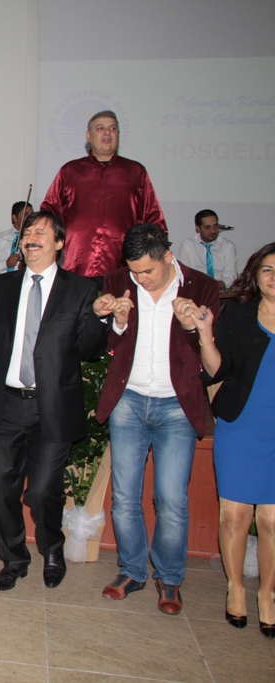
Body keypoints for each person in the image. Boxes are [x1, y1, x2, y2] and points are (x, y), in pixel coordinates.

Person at [0, 211, 109, 590]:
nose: (31, 236)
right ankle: (13, 559)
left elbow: (91, 349)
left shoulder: (81, 289)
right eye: (27, 231)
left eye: (41, 231)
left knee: (42, 491)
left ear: (59, 242)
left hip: (52, 406)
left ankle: (52, 548)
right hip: (7, 403)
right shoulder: (3, 285)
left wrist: (102, 318)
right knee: (1, 490)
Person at [93, 223, 219, 616]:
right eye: (135, 271)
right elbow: (107, 344)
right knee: (124, 497)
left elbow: (211, 356)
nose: (141, 279)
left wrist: (190, 327)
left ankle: (169, 577)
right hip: (129, 401)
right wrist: (115, 320)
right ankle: (132, 571)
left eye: (148, 270)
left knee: (171, 499)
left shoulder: (201, 286)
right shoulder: (118, 281)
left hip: (176, 405)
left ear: (168, 256)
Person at [195, 242, 275, 637]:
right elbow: (216, 370)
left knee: (272, 519)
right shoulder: (240, 315)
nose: (274, 277)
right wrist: (205, 334)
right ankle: (236, 588)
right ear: (255, 276)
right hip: (242, 426)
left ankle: (268, 595)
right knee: (235, 515)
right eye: (267, 269)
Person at [40, 110, 166, 280]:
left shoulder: (136, 172)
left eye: (112, 129)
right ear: (88, 136)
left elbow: (153, 217)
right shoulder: (69, 171)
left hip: (122, 265)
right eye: (100, 128)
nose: (107, 132)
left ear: (118, 135)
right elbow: (49, 213)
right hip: (76, 264)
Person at [176, 210, 238, 289]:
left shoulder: (227, 246)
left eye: (215, 226)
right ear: (198, 228)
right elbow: (184, 276)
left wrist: (212, 286)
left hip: (221, 290)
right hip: (196, 290)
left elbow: (230, 277)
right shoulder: (188, 245)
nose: (213, 230)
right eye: (207, 227)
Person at [0, 201, 31, 278]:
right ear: (15, 218)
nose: (30, 218)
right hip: (0, 282)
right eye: (26, 214)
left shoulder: (33, 240)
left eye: (32, 215)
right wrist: (6, 264)